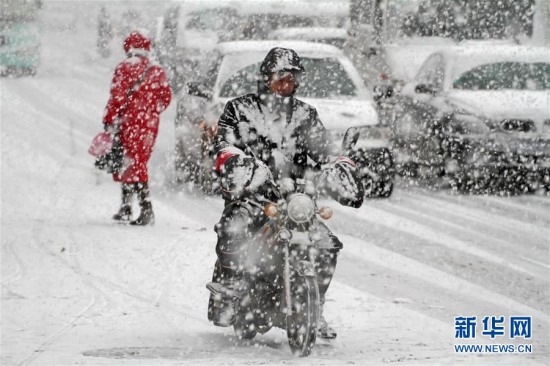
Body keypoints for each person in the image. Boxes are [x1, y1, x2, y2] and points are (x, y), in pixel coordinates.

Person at [208, 47, 364, 338]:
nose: (286, 83)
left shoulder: (305, 114)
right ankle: (230, 291)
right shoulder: (240, 109)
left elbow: (323, 148)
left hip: (295, 201)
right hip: (253, 197)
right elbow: (223, 145)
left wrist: (337, 163)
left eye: (293, 77)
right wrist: (239, 164)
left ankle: (314, 310)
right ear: (266, 77)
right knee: (235, 227)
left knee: (326, 245)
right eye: (281, 76)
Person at [102, 31, 172, 226]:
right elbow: (166, 97)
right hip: (148, 126)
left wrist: (109, 120)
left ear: (128, 47)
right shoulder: (156, 70)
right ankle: (127, 207)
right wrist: (152, 111)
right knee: (135, 163)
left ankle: (145, 209)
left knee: (133, 164)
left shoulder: (124, 68)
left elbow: (116, 97)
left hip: (128, 123)